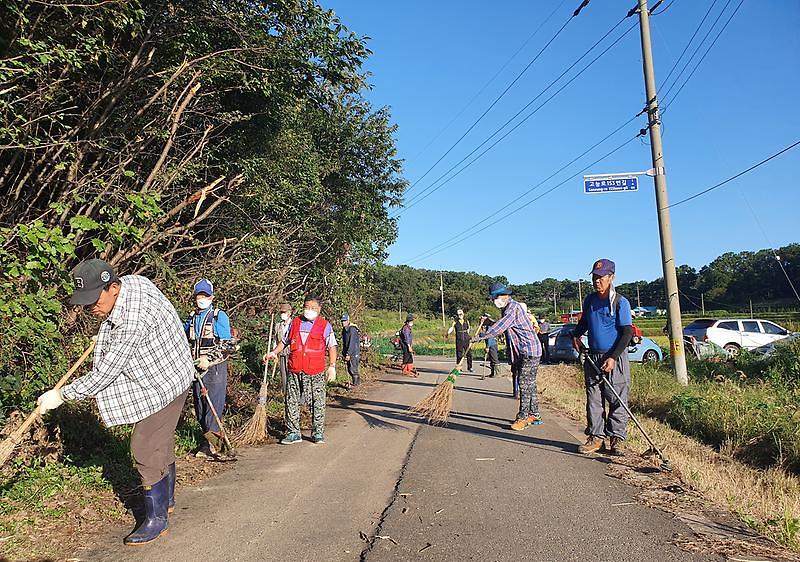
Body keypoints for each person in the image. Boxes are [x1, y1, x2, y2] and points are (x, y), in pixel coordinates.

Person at [37, 259, 194, 545]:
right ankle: (168, 499)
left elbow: (104, 375)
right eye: (84, 302)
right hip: (166, 368)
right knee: (162, 439)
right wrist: (106, 332)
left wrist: (60, 395)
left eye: (94, 300)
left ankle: (157, 518)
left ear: (113, 288)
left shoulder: (131, 322)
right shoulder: (135, 283)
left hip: (166, 382)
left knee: (144, 445)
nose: (90, 308)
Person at [571, 258, 633, 456]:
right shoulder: (589, 300)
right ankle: (597, 438)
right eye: (595, 277)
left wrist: (613, 357)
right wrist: (575, 335)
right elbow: (584, 324)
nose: (597, 281)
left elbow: (627, 333)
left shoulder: (620, 302)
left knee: (617, 399)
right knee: (594, 399)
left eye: (601, 277)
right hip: (593, 357)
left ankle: (617, 439)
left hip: (615, 357)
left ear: (611, 277)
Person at [266, 295, 337, 445]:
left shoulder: (325, 325)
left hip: (315, 371)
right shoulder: (295, 323)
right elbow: (284, 341)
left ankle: (317, 432)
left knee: (317, 402)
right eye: (306, 307)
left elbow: (332, 346)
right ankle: (293, 432)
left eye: (313, 308)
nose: (309, 310)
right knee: (291, 400)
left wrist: (332, 366)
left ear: (319, 309)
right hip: (295, 368)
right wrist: (273, 352)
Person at [472, 282, 543, 430]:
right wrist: (488, 322)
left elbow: (500, 327)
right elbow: (504, 325)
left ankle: (522, 418)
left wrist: (480, 336)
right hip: (525, 351)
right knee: (530, 383)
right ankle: (534, 413)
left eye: (495, 297)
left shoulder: (513, 308)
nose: (494, 301)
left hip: (529, 350)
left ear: (504, 295)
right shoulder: (507, 310)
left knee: (524, 383)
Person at [184, 279, 232, 458]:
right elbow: (184, 338)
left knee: (213, 406)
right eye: (199, 295)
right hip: (196, 368)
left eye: (205, 295)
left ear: (212, 297)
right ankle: (209, 442)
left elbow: (227, 344)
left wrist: (209, 359)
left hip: (214, 368)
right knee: (200, 404)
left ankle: (213, 445)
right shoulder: (192, 317)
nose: (201, 298)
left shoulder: (219, 316)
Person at [275, 303, 293, 395]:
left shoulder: (294, 325)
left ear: (289, 313)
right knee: (284, 375)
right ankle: (286, 394)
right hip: (281, 353)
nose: (282, 314)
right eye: (281, 312)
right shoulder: (278, 326)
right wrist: (274, 353)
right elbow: (275, 340)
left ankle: (294, 394)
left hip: (292, 353)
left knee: (292, 375)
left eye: (284, 312)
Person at [341, 313, 361, 386]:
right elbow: (344, 342)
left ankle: (356, 384)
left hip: (354, 351)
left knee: (353, 369)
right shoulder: (344, 330)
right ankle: (355, 382)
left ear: (348, 320)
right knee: (349, 369)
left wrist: (348, 354)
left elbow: (352, 342)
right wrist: (344, 353)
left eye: (345, 321)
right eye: (342, 321)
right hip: (348, 352)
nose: (343, 322)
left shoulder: (352, 329)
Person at [481, 313, 499, 378]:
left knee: (494, 359)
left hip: (492, 344)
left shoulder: (490, 326)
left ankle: (497, 373)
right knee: (491, 359)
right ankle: (492, 373)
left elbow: (490, 337)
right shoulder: (485, 326)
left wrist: (487, 346)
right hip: (489, 343)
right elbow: (484, 335)